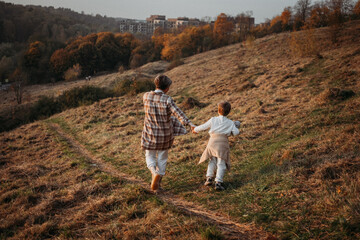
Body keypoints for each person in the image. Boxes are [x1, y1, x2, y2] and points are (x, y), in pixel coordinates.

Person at [141, 75, 195, 191]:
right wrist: (190, 124)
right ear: (167, 88)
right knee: (162, 158)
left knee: (149, 155)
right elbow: (178, 114)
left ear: (156, 84)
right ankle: (158, 182)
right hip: (165, 135)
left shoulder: (146, 96)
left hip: (150, 133)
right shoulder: (167, 99)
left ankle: (153, 172)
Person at [192, 101, 240, 190]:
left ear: (218, 111)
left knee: (212, 160)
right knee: (221, 163)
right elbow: (236, 133)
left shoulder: (213, 119)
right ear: (229, 112)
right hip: (223, 144)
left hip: (212, 142)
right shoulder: (230, 123)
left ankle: (209, 178)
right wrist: (235, 127)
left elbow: (203, 126)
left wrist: (195, 129)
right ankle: (218, 182)